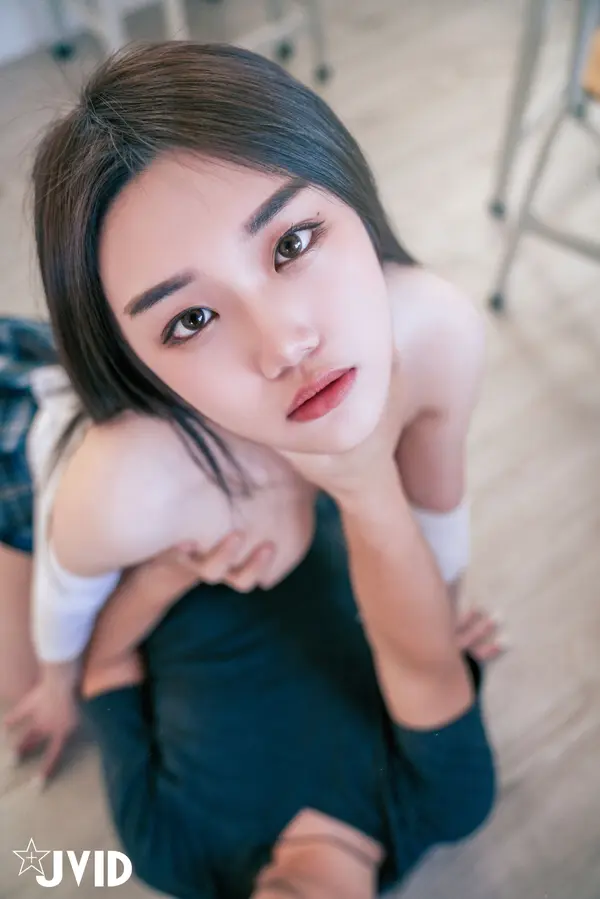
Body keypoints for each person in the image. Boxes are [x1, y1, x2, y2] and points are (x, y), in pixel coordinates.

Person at [4, 41, 499, 897]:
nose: (286, 345)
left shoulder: (438, 330)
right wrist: (55, 684)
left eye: (292, 241)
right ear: (141, 367)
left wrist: (441, 607)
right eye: (192, 319)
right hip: (41, 464)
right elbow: (66, 591)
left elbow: (436, 508)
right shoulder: (124, 485)